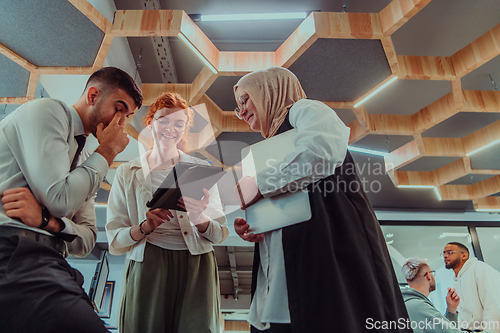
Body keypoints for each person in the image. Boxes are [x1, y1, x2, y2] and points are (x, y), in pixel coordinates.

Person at [232, 67, 411, 332]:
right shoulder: (268, 148)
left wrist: (259, 184)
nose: (242, 111)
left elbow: (322, 152)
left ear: (269, 90)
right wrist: (253, 226)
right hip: (287, 266)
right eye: (238, 107)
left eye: (245, 100)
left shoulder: (306, 110)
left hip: (328, 248)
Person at [0, 66, 143, 333]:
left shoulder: (86, 160)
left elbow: (87, 240)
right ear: (92, 96)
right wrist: (108, 150)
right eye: (119, 108)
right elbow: (60, 200)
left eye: (129, 116)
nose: (121, 123)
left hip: (52, 259)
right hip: (12, 247)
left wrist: (50, 223)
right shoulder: (49, 111)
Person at [106, 92, 228, 333]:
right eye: (163, 120)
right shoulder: (128, 172)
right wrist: (144, 227)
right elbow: (115, 240)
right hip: (148, 261)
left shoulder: (201, 170)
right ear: (151, 123)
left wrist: (199, 219)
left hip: (196, 264)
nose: (170, 128)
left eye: (179, 123)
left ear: (184, 130)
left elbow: (220, 233)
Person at [443, 242, 500, 332]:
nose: (445, 256)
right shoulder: (457, 279)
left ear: (464, 256)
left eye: (450, 252)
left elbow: (494, 305)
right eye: (444, 253)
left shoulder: (480, 269)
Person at [401, 257, 462, 332]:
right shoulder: (419, 307)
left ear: (407, 280)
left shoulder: (405, 305)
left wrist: (451, 309)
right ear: (428, 275)